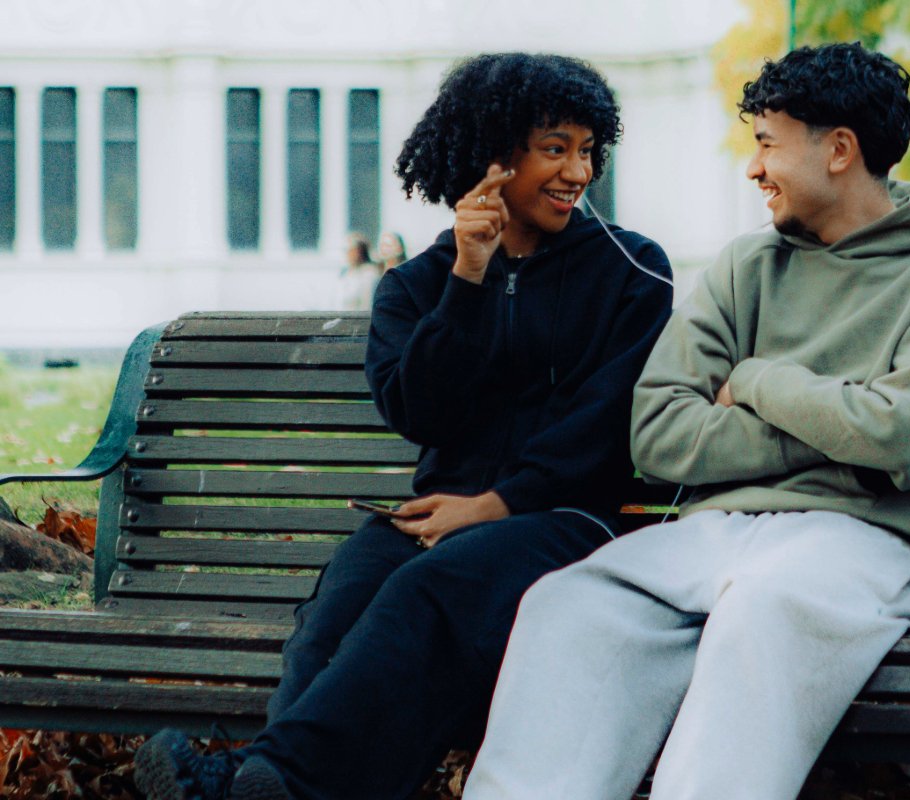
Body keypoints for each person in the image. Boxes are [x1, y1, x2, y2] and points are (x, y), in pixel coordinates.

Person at [462, 42, 910, 800]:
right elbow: (658, 431)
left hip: (882, 540)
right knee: (573, 602)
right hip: (722, 533)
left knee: (766, 605)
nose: (753, 168)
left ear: (839, 150)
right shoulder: (744, 268)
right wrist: (841, 431)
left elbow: (907, 435)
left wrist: (756, 379)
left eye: (767, 144)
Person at [134, 52, 672, 800]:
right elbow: (421, 413)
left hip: (571, 517)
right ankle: (269, 786)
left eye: (587, 151)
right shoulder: (417, 286)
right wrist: (468, 280)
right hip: (437, 512)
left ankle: (261, 781)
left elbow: (607, 421)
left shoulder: (631, 269)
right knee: (340, 604)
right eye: (555, 149)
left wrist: (493, 505)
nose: (578, 172)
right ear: (491, 156)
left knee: (433, 586)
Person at [337, 230, 384, 310]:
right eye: (347, 250)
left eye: (352, 250)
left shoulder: (369, 273)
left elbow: (367, 304)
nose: (348, 254)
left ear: (361, 252)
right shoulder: (345, 272)